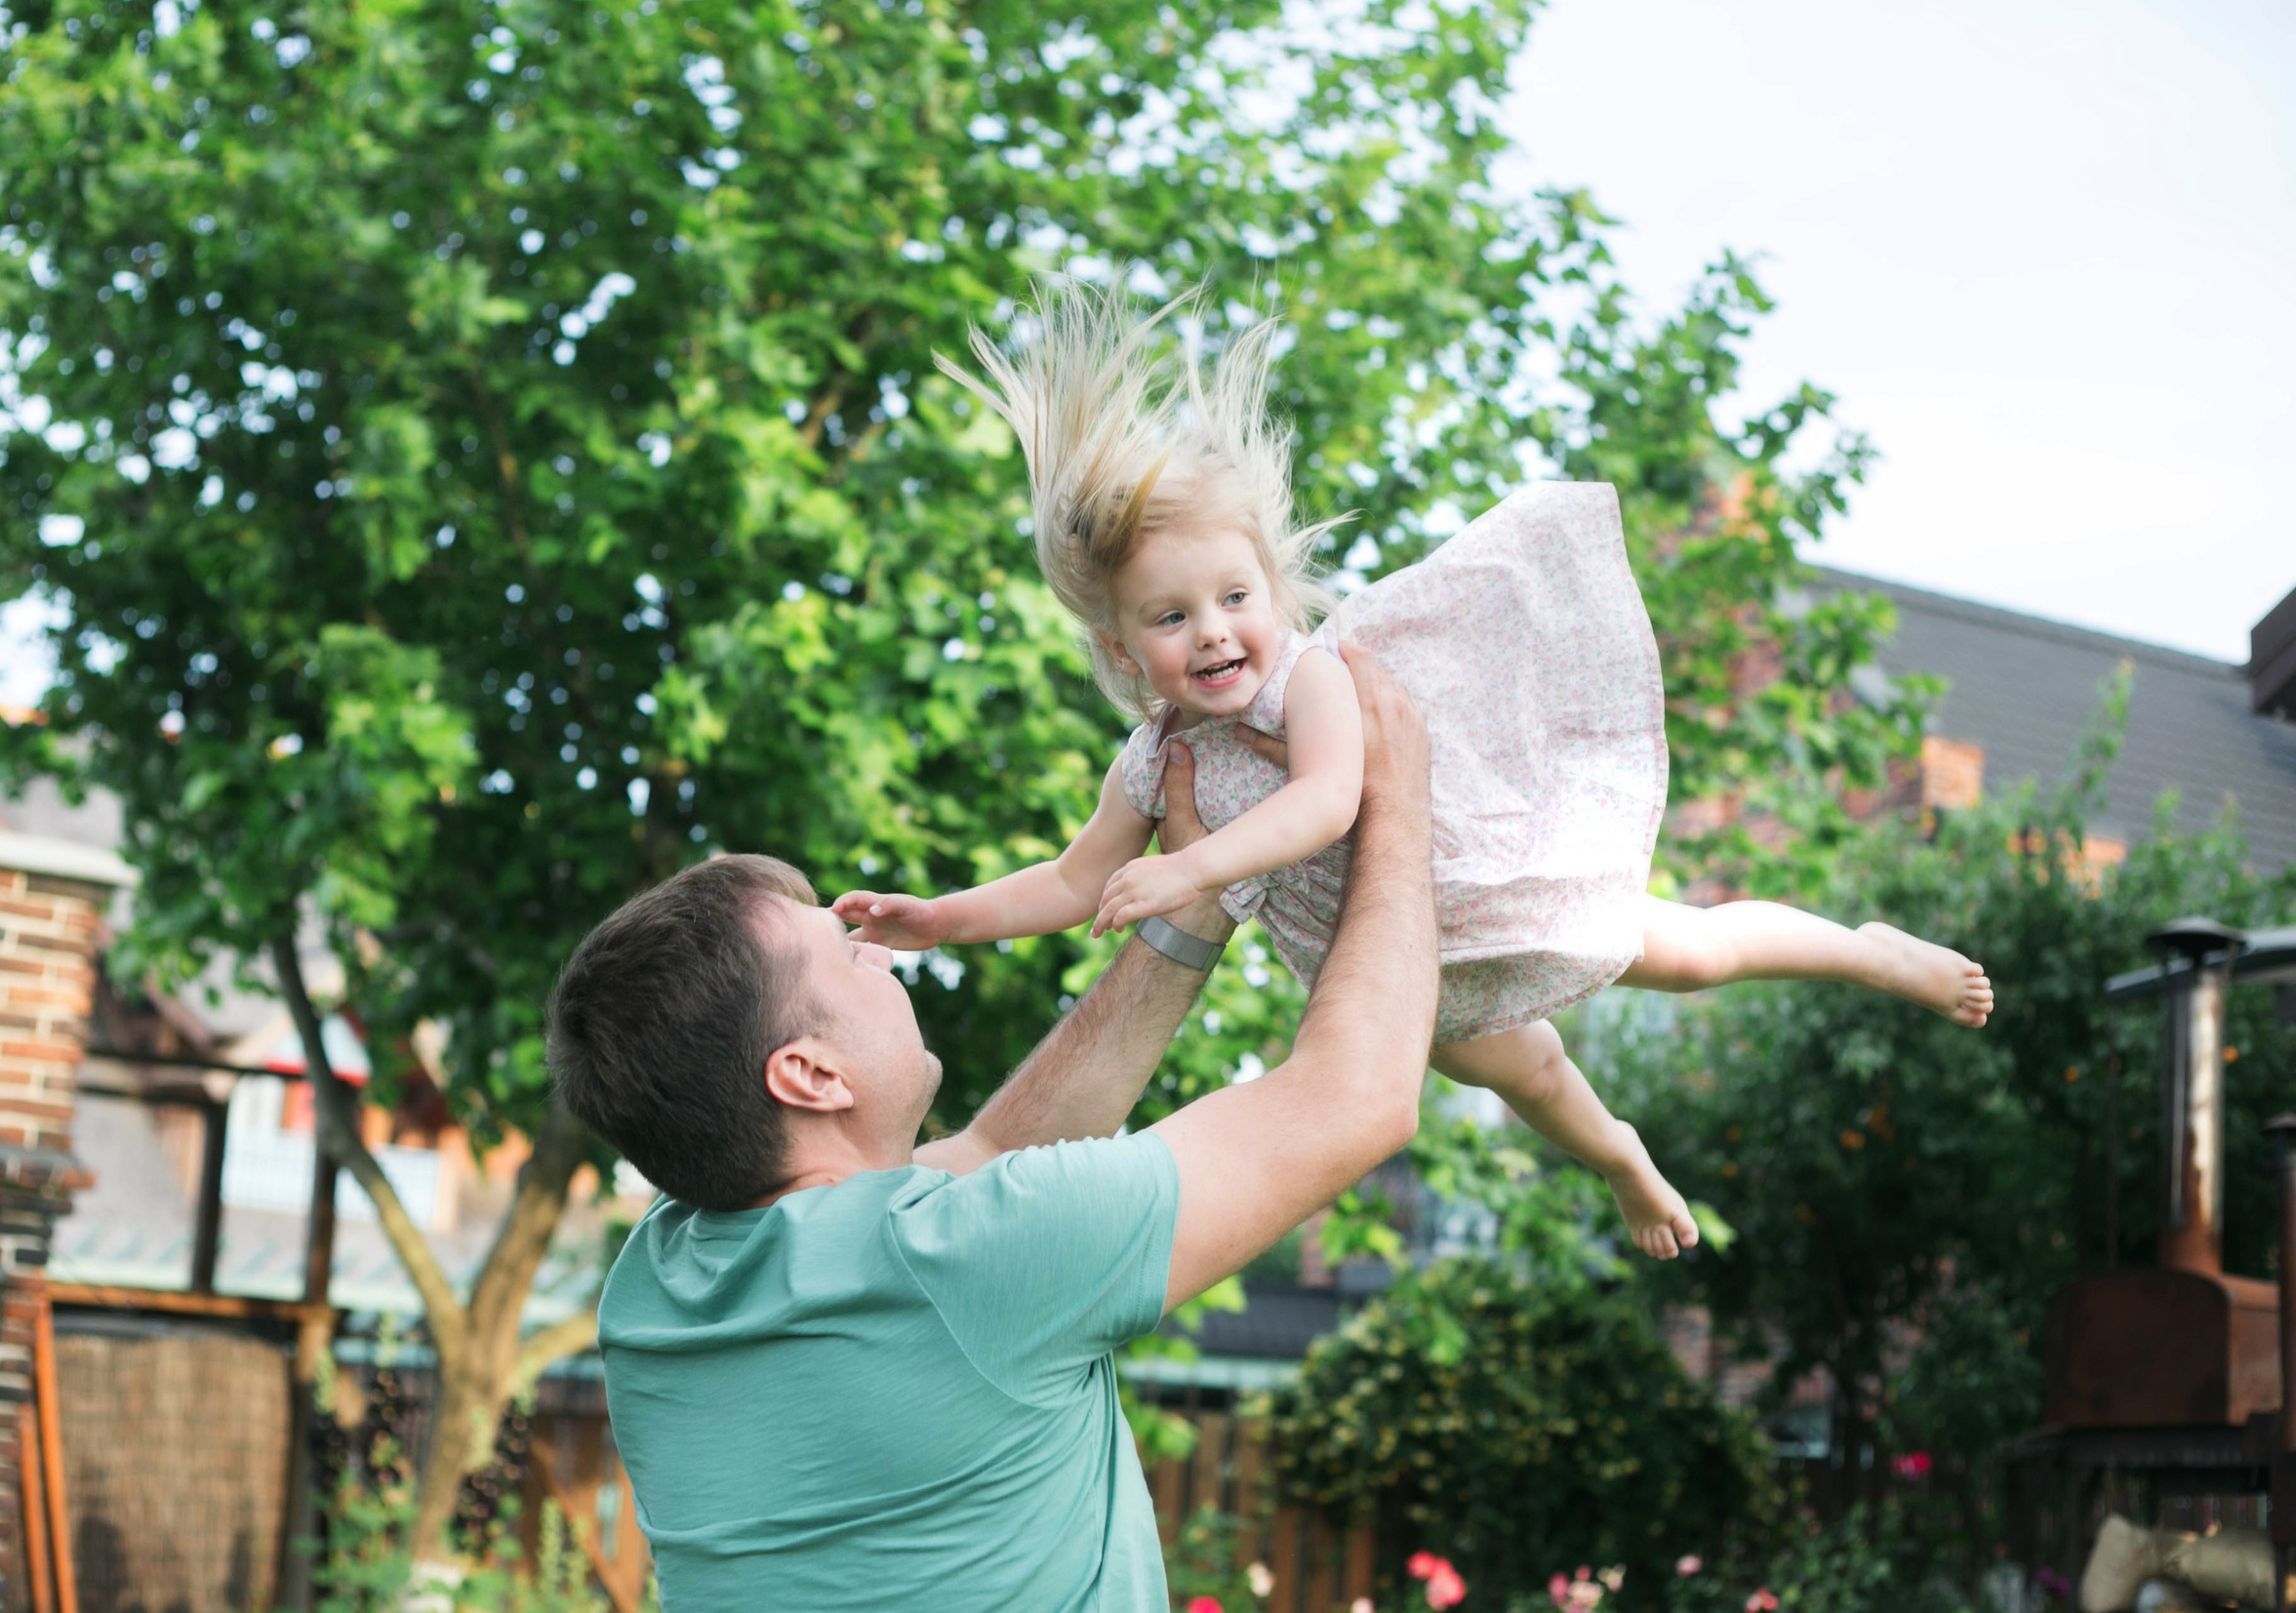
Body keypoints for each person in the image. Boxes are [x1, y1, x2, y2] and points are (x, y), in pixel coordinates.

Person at [836, 284, 1994, 1260]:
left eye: (1235, 599)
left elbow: (1327, 802)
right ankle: (1624, 1160)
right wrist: (940, 920)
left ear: (1273, 596)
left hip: (1482, 887)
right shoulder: (1154, 757)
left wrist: (1191, 866)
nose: (1214, 632)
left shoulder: (1316, 681)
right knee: (1525, 1075)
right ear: (1121, 649)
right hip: (1391, 969)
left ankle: (1865, 952)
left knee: (1691, 954)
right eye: (1172, 617)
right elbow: (1074, 879)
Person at [546, 643, 1439, 1613]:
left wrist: (1193, 903)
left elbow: (991, 1154)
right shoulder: (960, 1264)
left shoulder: (656, 1288)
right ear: (810, 1076)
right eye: (846, 956)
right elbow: (1359, 1096)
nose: (879, 952)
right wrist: (1400, 805)